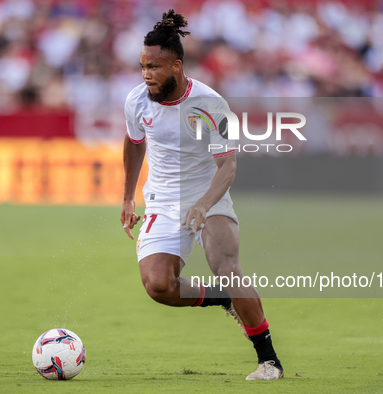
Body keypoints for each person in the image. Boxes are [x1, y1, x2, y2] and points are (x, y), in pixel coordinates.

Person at [120, 9, 283, 381]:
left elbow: (228, 167)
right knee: (159, 286)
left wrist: (205, 205)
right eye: (143, 66)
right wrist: (128, 197)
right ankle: (222, 300)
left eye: (155, 67)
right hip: (162, 197)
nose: (146, 74)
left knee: (226, 267)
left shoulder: (211, 105)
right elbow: (133, 143)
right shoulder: (136, 101)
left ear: (176, 67)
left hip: (210, 194)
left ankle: (269, 360)